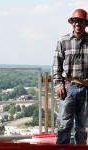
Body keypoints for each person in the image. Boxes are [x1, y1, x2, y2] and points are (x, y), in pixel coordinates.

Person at [52, 9, 88, 144]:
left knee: (81, 127)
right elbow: (56, 65)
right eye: (75, 21)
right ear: (71, 23)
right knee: (64, 125)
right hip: (68, 89)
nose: (78, 24)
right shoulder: (63, 41)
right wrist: (58, 84)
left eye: (81, 21)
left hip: (85, 90)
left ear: (86, 24)